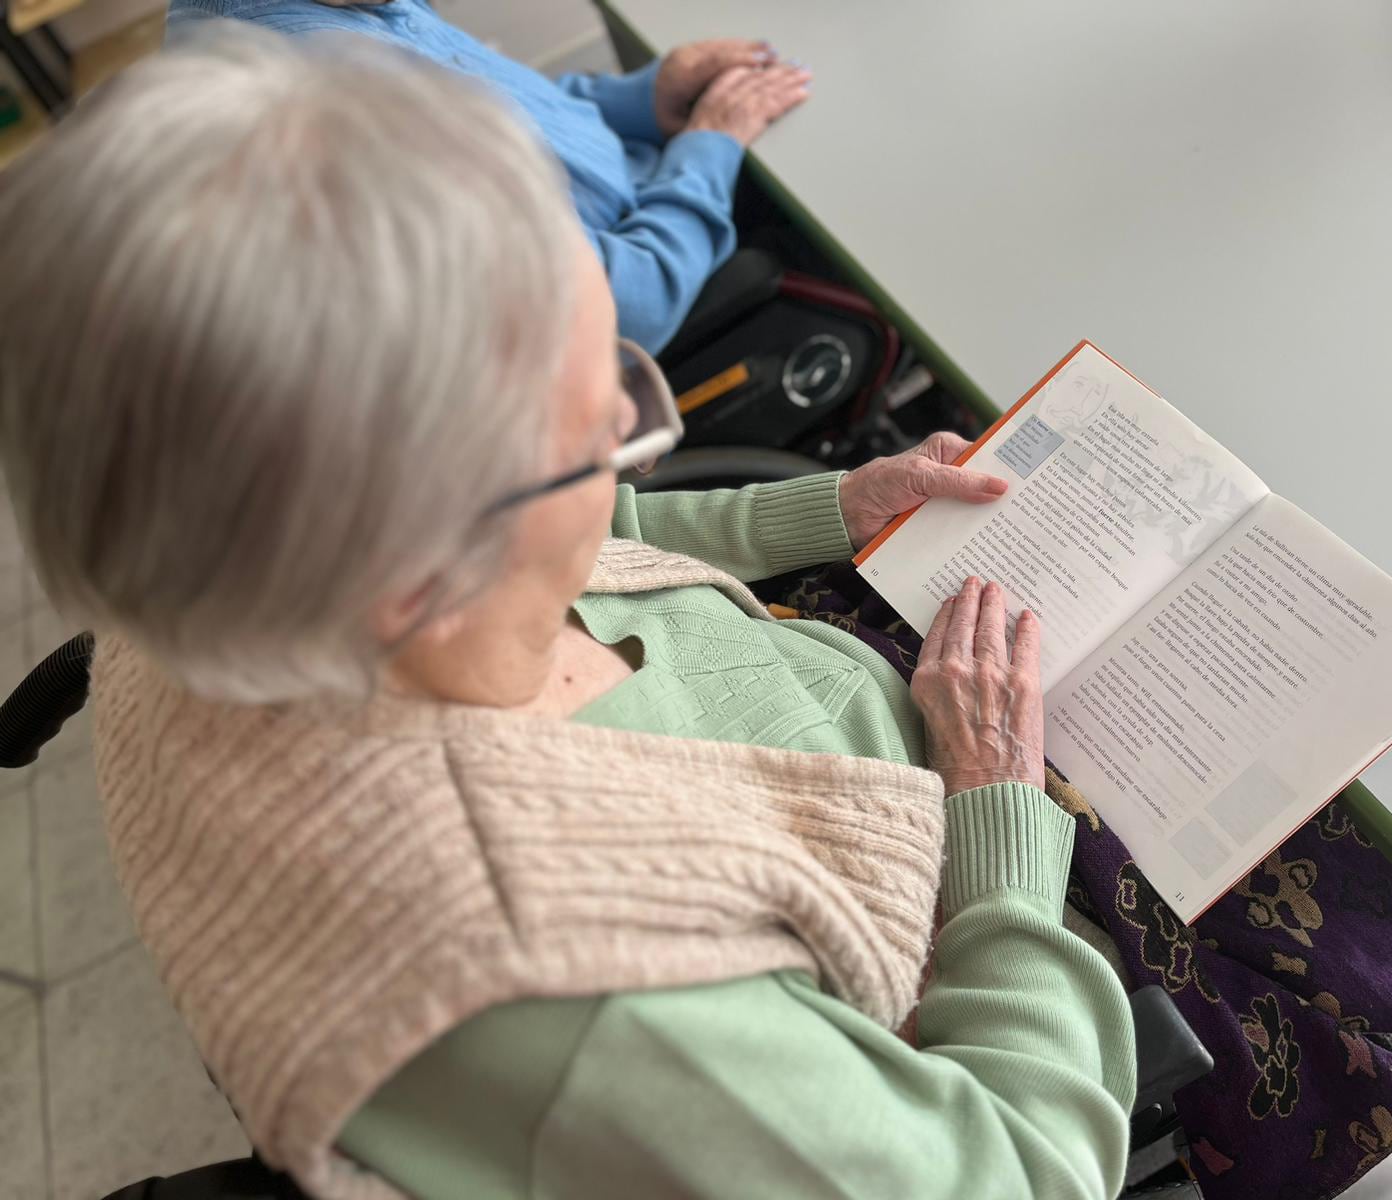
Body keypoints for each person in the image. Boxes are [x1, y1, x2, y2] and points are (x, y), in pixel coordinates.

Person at [0, 29, 1134, 1200]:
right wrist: (997, 826)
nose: (622, 451)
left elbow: (606, 541)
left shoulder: (228, 555)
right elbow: (1020, 1177)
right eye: (602, 424)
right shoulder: (587, 992)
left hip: (846, 700)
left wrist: (833, 506)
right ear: (416, 567)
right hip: (981, 895)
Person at [165, 0, 810, 356]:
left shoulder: (331, 6)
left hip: (648, 207)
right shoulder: (329, 107)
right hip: (644, 315)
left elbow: (497, 110)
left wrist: (642, 100)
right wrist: (709, 145)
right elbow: (624, 308)